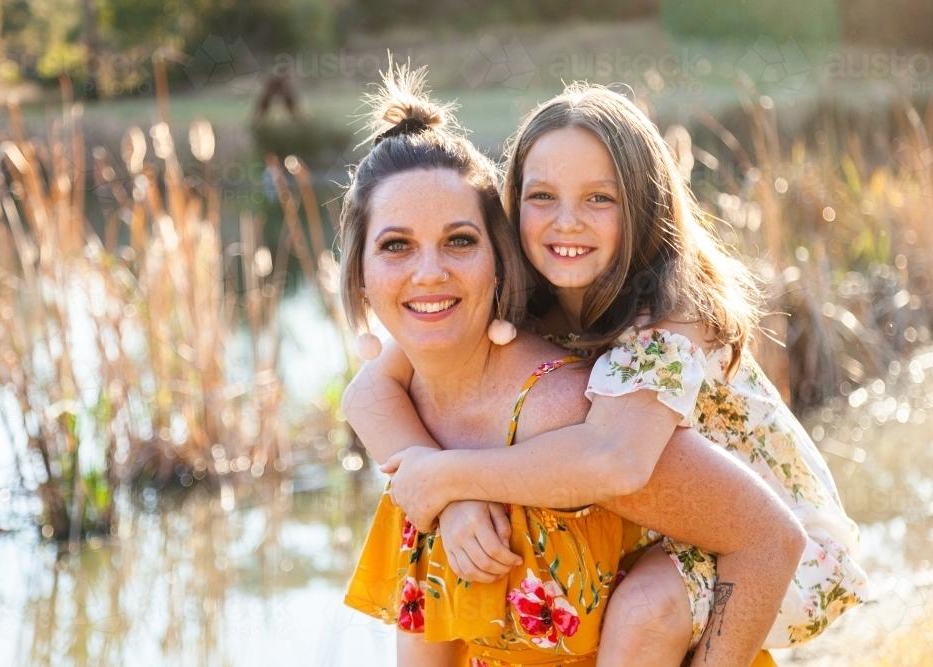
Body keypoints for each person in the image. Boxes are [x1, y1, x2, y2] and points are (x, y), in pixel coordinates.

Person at [345, 80, 870, 665]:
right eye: (541, 196)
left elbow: (616, 460)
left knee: (645, 610)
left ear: (644, 206)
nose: (566, 222)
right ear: (511, 205)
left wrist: (448, 476)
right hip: (676, 520)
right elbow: (370, 390)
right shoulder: (518, 289)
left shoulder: (669, 317)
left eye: (600, 199)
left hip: (780, 545)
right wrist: (447, 495)